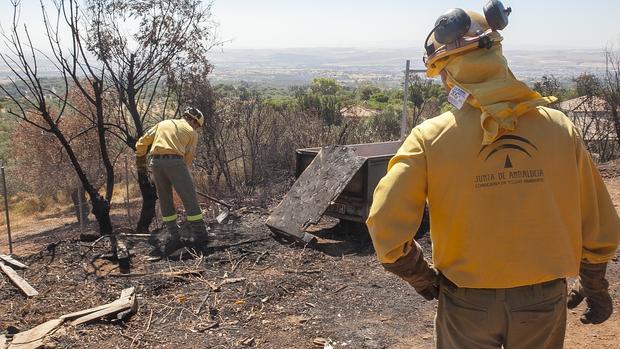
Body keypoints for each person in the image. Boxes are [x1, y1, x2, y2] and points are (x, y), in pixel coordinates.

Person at [366, 2, 620, 348]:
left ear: (446, 69)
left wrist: (423, 278)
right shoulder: (560, 128)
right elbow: (598, 219)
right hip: (543, 302)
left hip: (466, 304)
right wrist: (595, 284)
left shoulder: (430, 138)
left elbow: (384, 224)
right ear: (496, 51)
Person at [136, 107, 208, 253]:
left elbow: (141, 143)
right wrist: (183, 177)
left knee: (165, 199)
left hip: (155, 163)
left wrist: (141, 163)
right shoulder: (191, 132)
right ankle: (201, 235)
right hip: (176, 162)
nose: (197, 128)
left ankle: (174, 236)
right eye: (198, 126)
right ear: (194, 121)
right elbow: (187, 159)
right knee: (189, 198)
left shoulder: (163, 124)